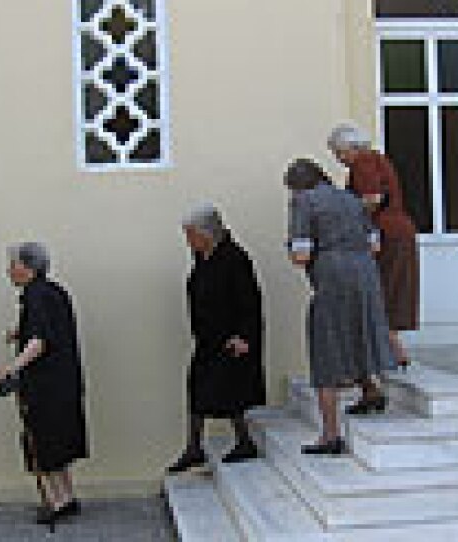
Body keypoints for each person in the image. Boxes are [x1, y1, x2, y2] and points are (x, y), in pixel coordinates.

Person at [285, 158, 394, 455]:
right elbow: (375, 243)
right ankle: (370, 390)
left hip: (332, 274)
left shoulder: (304, 202)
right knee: (359, 329)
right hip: (365, 271)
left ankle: (330, 434)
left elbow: (301, 255)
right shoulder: (350, 199)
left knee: (326, 344)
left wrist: (297, 250)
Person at [0, 242, 89, 527]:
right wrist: (19, 332)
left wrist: (11, 367)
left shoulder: (36, 296)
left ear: (27, 268)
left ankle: (58, 502)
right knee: (57, 443)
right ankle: (67, 497)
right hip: (63, 383)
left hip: (47, 386)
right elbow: (46, 331)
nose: (9, 270)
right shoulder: (52, 291)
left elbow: (39, 342)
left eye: (13, 264)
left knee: (45, 444)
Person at [167, 204, 266, 473]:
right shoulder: (202, 258)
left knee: (232, 392)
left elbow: (250, 301)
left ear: (207, 234)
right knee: (198, 388)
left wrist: (244, 336)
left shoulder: (235, 259)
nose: (187, 241)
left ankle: (244, 441)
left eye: (190, 235)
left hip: (230, 338)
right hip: (208, 338)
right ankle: (193, 447)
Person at [328, 124, 420, 378]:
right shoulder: (378, 159)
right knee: (389, 290)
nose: (339, 159)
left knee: (382, 290)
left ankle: (393, 352)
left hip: (387, 234)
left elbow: (372, 198)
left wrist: (348, 217)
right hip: (399, 231)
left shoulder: (364, 163)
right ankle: (395, 350)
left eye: (339, 153)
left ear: (351, 148)